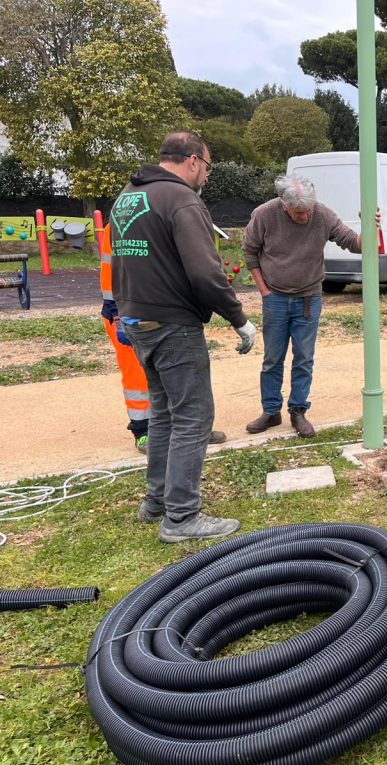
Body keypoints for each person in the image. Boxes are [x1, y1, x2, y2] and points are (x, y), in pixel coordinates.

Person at [110, 131, 257, 544]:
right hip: (173, 325)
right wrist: (239, 318)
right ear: (193, 160)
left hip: (136, 320)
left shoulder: (129, 196)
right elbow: (205, 272)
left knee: (163, 415)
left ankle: (155, 501)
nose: (206, 178)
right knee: (193, 417)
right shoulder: (180, 199)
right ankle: (181, 517)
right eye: (207, 168)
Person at [242, 174, 377, 438]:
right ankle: (270, 411)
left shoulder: (322, 215)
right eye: (298, 213)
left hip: (309, 298)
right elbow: (249, 252)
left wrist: (370, 227)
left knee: (304, 358)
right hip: (275, 298)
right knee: (272, 359)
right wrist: (264, 292)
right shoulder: (264, 215)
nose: (305, 217)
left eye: (308, 211)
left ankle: (298, 411)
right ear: (284, 206)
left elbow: (354, 243)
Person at [98, 223, 228, 453]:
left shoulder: (167, 216)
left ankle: (192, 428)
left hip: (166, 311)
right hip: (125, 312)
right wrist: (116, 312)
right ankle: (143, 431)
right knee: (136, 376)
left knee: (182, 372)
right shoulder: (120, 224)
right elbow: (110, 269)